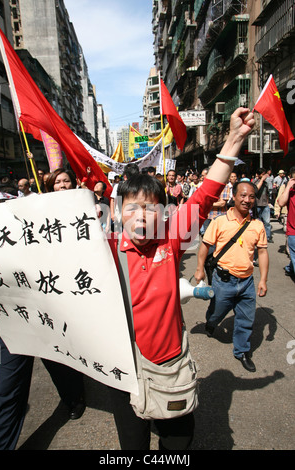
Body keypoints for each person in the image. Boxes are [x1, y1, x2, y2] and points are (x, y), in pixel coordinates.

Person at [107, 107, 255, 450]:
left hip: (171, 364)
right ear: (117, 212)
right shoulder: (106, 251)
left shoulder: (170, 240)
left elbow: (204, 194)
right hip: (124, 370)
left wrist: (234, 139)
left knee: (179, 440)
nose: (141, 215)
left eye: (149, 207)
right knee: (133, 445)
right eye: (132, 206)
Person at [0, 167, 86, 450]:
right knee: (3, 388)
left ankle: (74, 399)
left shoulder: (42, 225)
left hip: (48, 314)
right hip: (10, 324)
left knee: (61, 366)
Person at [194, 181, 268, 373]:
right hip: (223, 281)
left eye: (251, 196)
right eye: (243, 195)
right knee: (217, 312)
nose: (247, 200)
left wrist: (263, 280)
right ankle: (211, 323)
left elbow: (262, 253)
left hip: (247, 282)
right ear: (234, 197)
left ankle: (242, 351)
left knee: (246, 319)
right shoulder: (220, 221)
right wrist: (199, 268)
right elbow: (204, 246)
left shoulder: (257, 225)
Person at [277, 166, 295, 278]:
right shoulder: (290, 191)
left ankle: (289, 268)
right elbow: (281, 202)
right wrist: (288, 187)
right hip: (293, 230)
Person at [110, 164, 139, 231]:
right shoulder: (118, 186)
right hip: (120, 217)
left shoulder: (139, 186)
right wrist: (112, 214)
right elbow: (113, 200)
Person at [253, 168, 273, 242]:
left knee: (267, 222)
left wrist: (268, 202)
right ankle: (259, 237)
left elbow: (267, 193)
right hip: (257, 204)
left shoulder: (265, 183)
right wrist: (261, 179)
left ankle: (268, 236)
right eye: (262, 174)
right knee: (258, 222)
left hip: (265, 204)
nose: (264, 176)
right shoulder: (255, 182)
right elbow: (256, 190)